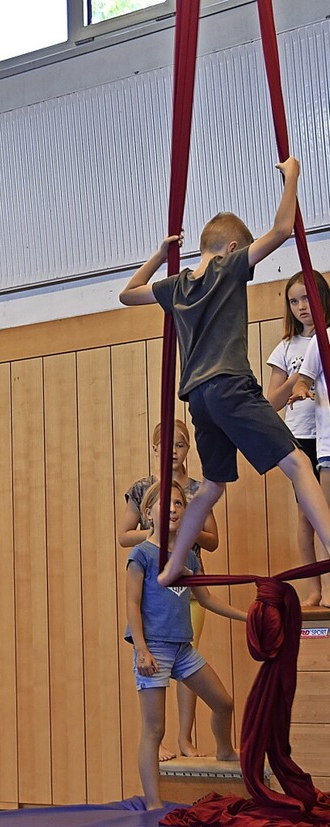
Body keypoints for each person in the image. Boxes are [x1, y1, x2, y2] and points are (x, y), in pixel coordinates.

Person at [120, 157, 330, 585]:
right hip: (231, 386)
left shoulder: (175, 284)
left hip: (198, 400)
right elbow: (282, 231)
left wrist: (159, 255)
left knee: (213, 484)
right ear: (233, 250)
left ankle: (173, 564)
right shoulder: (227, 268)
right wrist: (291, 178)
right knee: (298, 465)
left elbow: (126, 294)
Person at [125, 480, 246, 811]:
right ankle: (153, 804)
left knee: (223, 702)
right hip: (155, 649)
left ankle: (224, 749)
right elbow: (132, 604)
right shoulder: (142, 555)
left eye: (179, 504)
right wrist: (141, 649)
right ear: (148, 513)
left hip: (182, 647)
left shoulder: (189, 556)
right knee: (155, 730)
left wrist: (246, 617)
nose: (175, 509)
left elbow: (205, 598)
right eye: (166, 505)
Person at [119, 419, 218, 760]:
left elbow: (213, 540)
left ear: (188, 449)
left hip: (189, 583)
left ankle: (186, 737)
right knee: (154, 660)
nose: (173, 452)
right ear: (156, 448)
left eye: (180, 445)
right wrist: (159, 533)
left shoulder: (197, 489)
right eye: (167, 445)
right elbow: (123, 535)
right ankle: (157, 739)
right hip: (155, 587)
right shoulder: (145, 488)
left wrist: (184, 533)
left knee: (187, 658)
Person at [266, 270, 330, 606]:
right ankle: (315, 588)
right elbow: (271, 402)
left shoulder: (327, 336)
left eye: (307, 298)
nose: (301, 306)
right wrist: (299, 376)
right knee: (307, 515)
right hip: (302, 435)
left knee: (327, 511)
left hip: (327, 433)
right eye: (294, 301)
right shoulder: (286, 348)